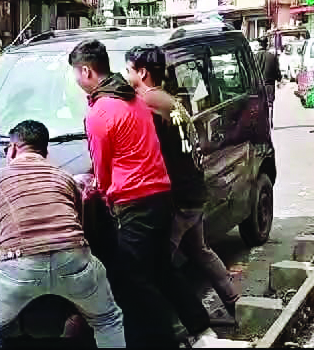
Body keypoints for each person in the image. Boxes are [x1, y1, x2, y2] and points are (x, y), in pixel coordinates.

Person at [68, 40, 218, 348]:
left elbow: (102, 166)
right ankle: (200, 328)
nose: (75, 80)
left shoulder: (100, 112)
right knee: (162, 267)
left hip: (134, 201)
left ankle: (159, 340)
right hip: (161, 195)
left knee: (134, 278)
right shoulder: (134, 99)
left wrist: (104, 194)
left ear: (86, 71)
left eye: (76, 74)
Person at [0, 120, 125, 348]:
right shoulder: (66, 179)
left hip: (17, 262)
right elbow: (78, 226)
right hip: (74, 260)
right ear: (45, 151)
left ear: (12, 149)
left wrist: (2, 280)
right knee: (107, 319)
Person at [124, 45, 241, 318]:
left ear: (142, 72)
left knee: (156, 263)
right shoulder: (172, 101)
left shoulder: (146, 104)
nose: (125, 74)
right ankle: (234, 300)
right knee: (200, 251)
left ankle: (177, 320)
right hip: (194, 191)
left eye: (128, 69)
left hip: (176, 197)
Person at [255, 36, 282, 129]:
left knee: (259, 105)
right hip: (269, 85)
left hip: (258, 86)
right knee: (270, 104)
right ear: (267, 44)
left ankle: (262, 123)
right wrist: (279, 79)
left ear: (259, 44)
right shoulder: (272, 57)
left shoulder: (255, 57)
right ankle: (270, 121)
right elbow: (277, 71)